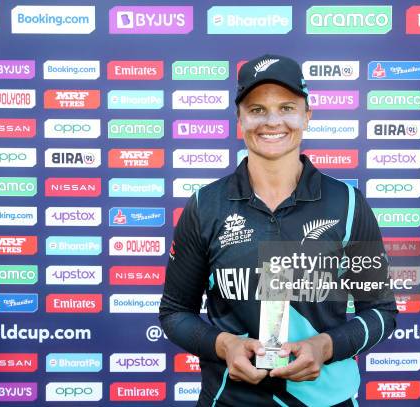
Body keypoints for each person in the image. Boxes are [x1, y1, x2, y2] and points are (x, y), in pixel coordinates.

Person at [159, 54, 397, 407]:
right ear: (239, 119)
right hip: (231, 400)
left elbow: (381, 311)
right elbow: (175, 311)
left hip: (327, 400)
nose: (272, 121)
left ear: (307, 116)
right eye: (257, 110)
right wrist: (225, 346)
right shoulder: (205, 205)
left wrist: (325, 347)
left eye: (286, 107)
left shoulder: (347, 204)